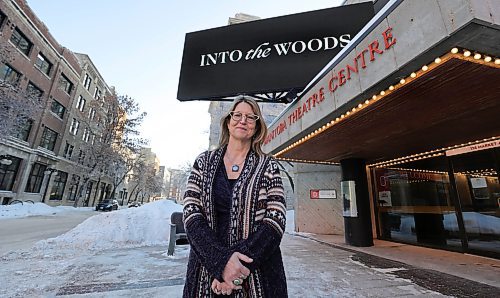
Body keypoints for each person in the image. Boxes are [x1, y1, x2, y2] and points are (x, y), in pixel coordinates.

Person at [182, 95, 288, 297]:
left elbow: (275, 221)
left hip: (260, 274)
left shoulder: (268, 166)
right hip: (205, 273)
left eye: (250, 117)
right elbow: (191, 215)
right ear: (228, 122)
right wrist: (220, 264)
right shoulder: (203, 163)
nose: (243, 120)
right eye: (237, 115)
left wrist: (235, 269)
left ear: (257, 127)